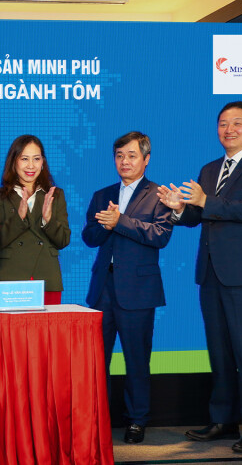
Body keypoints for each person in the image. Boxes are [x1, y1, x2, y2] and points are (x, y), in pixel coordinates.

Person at [157, 101, 242, 454]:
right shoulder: (210, 168)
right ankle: (223, 421)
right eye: (223, 123)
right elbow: (199, 215)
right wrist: (180, 209)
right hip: (211, 273)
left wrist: (205, 201)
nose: (229, 129)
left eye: (237, 123)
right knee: (220, 351)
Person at [82, 131, 172, 444]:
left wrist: (119, 221)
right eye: (120, 156)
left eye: (132, 155)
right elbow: (89, 237)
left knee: (136, 359)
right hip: (103, 290)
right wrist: (105, 226)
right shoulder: (101, 193)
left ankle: (137, 420)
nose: (125, 162)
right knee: (96, 362)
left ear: (146, 159)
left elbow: (159, 235)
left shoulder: (159, 194)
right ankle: (97, 418)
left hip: (138, 291)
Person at [0, 135, 70, 304]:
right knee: (11, 330)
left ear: (43, 162)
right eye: (24, 159)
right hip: (10, 277)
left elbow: (63, 240)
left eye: (36, 159)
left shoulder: (55, 195)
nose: (31, 165)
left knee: (46, 330)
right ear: (14, 162)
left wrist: (48, 220)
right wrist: (18, 218)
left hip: (46, 277)